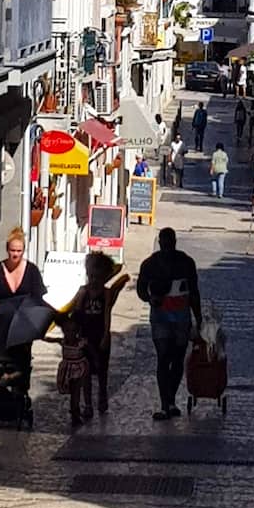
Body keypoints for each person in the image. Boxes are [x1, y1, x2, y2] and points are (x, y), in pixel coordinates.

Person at [137, 227, 202, 420]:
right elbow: (141, 290)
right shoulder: (182, 262)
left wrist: (198, 319)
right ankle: (167, 403)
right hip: (166, 318)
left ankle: (169, 401)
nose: (167, 247)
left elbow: (194, 292)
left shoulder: (158, 263)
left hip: (177, 317)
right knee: (166, 358)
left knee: (174, 359)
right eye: (165, 244)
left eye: (169, 244)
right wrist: (150, 299)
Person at [71, 253, 131, 419]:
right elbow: (75, 313)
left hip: (99, 335)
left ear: (104, 277)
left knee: (102, 371)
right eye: (90, 276)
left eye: (97, 277)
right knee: (85, 371)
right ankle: (88, 404)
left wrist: (106, 335)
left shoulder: (106, 294)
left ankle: (102, 396)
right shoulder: (83, 291)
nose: (93, 280)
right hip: (84, 337)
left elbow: (107, 315)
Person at [0, 226, 47, 313]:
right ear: (7, 250)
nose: (15, 254)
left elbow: (38, 298)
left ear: (23, 251)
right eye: (12, 250)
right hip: (2, 320)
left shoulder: (32, 271)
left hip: (25, 320)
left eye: (19, 251)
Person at [55, 315, 91, 427]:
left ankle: (75, 413)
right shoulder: (63, 341)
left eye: (72, 331)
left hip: (79, 370)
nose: (69, 334)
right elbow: (50, 339)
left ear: (77, 331)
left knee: (76, 392)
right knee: (73, 392)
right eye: (66, 331)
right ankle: (74, 412)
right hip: (68, 370)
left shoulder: (81, 343)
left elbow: (90, 351)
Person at [155, 114, 169, 185]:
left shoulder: (162, 124)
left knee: (158, 146)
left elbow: (164, 130)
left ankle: (157, 154)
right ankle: (156, 154)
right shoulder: (156, 124)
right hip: (157, 137)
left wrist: (163, 135)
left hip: (160, 137)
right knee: (156, 146)